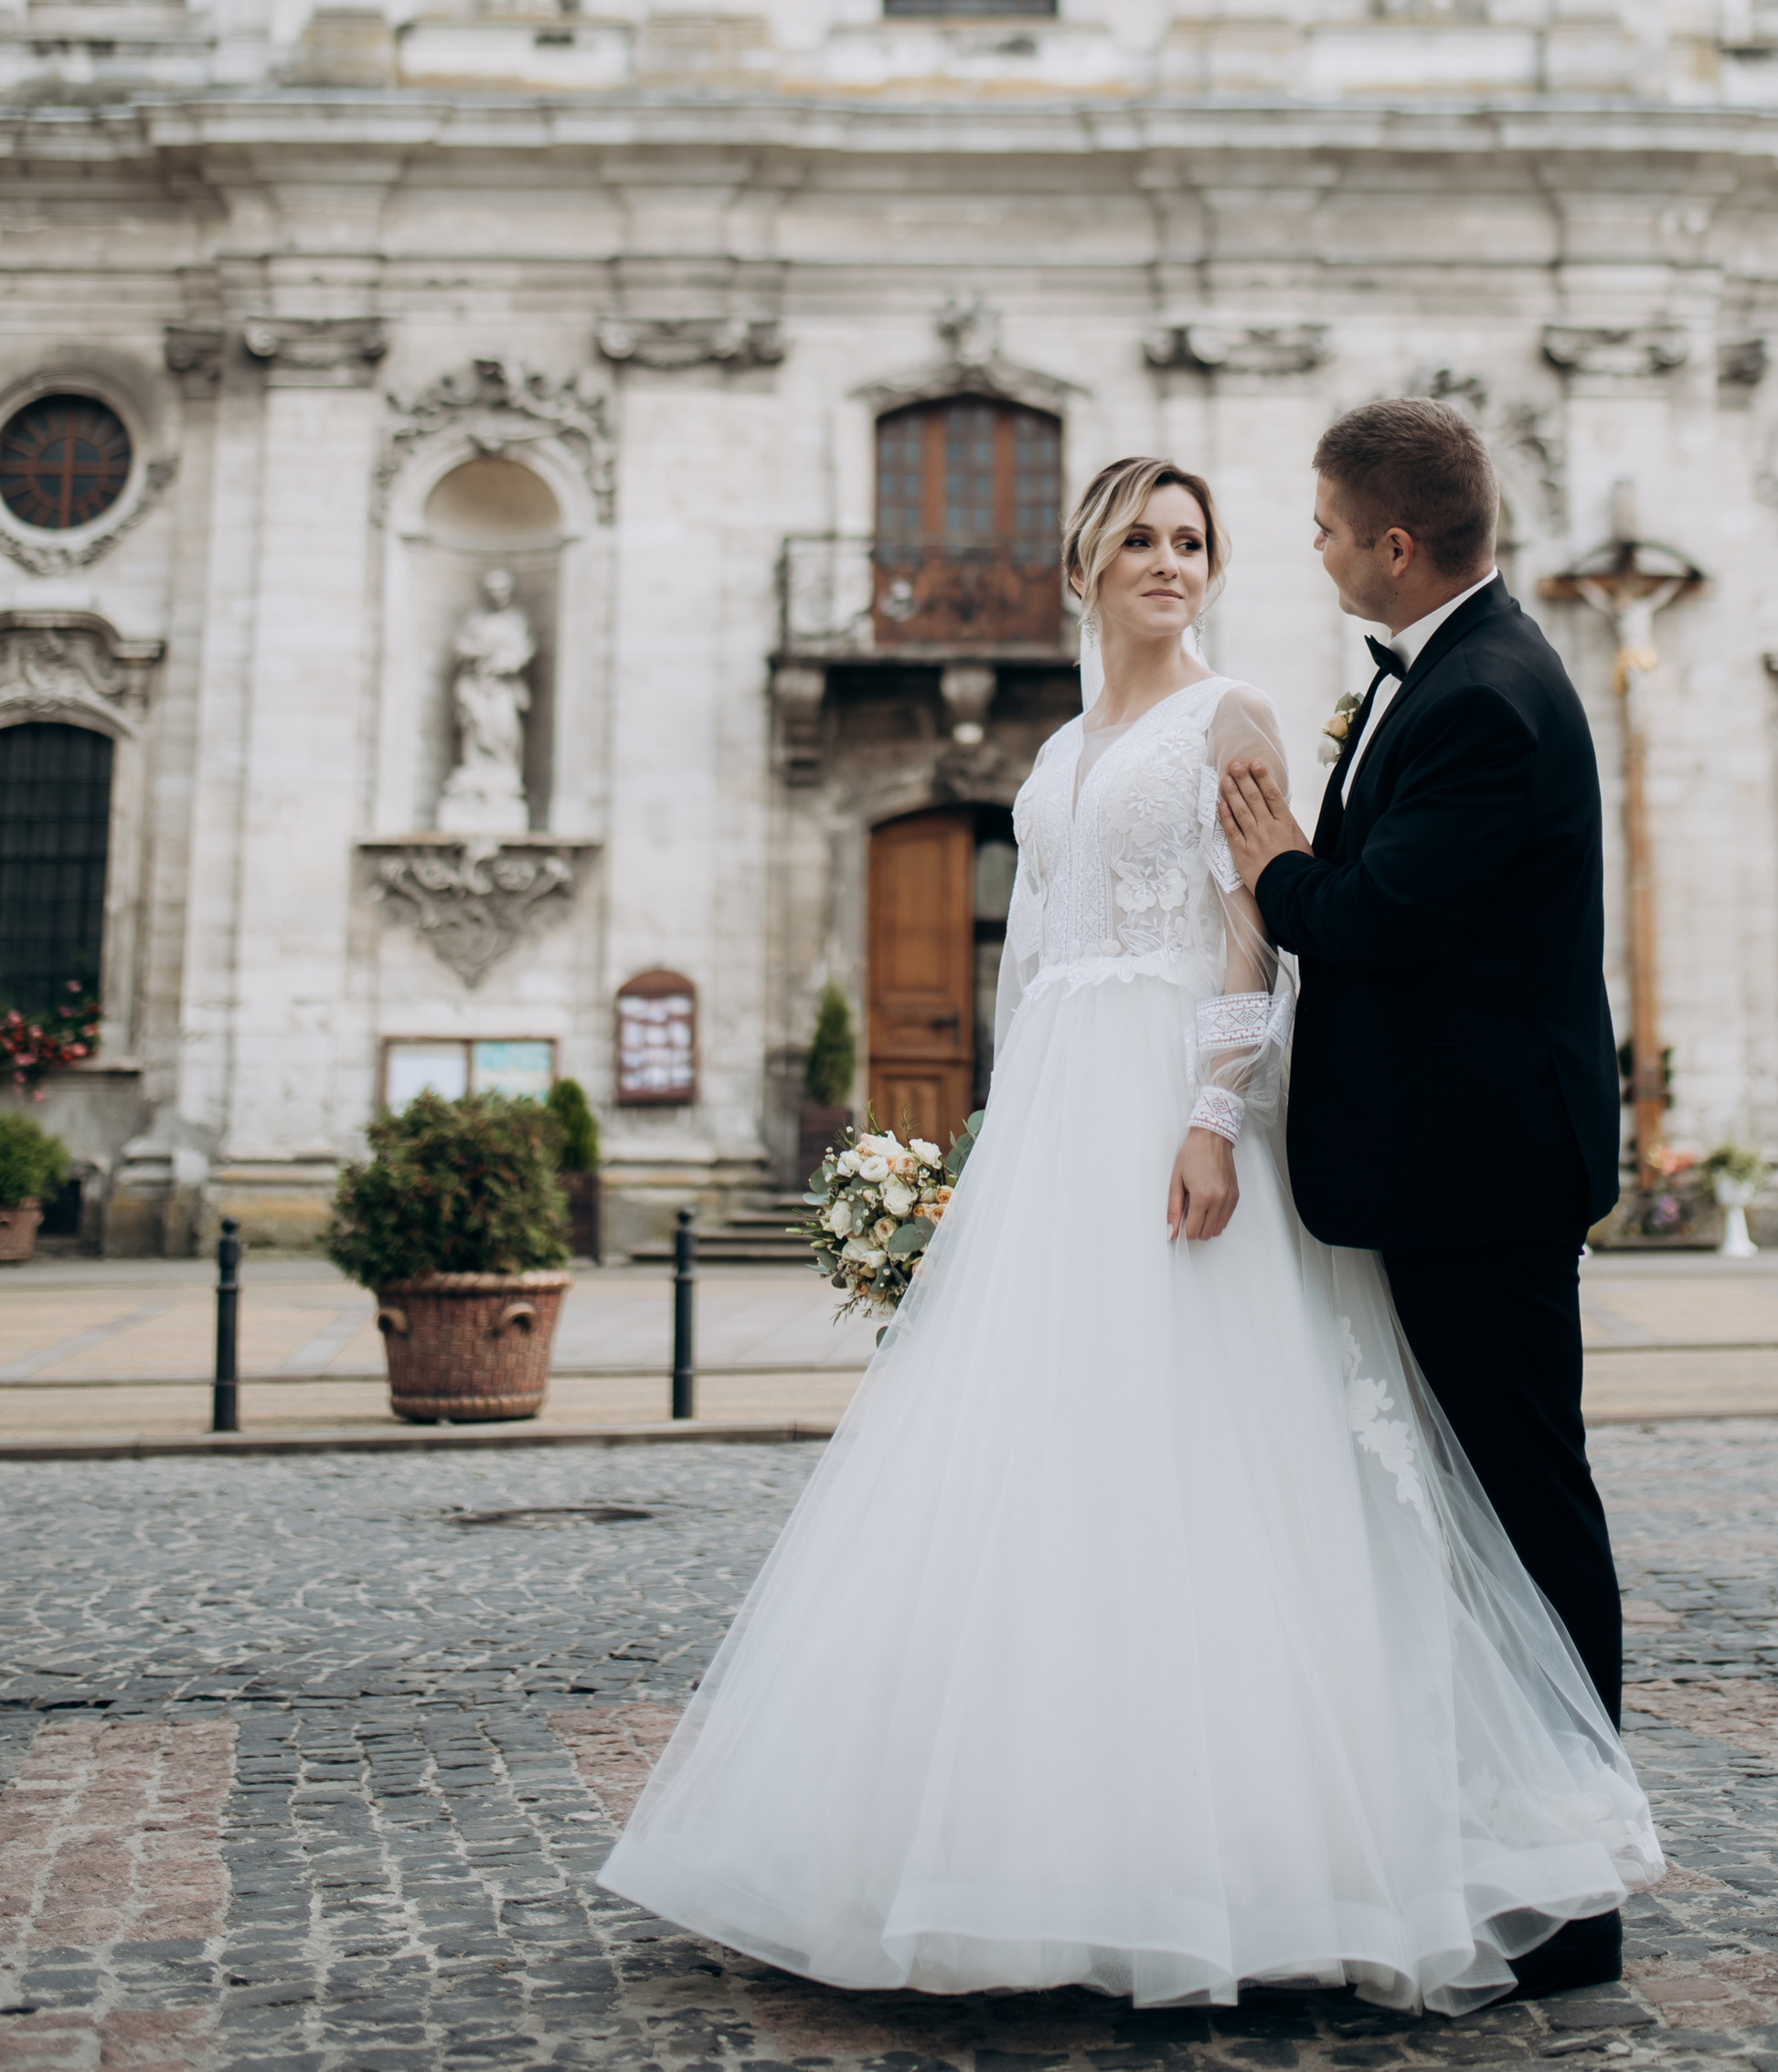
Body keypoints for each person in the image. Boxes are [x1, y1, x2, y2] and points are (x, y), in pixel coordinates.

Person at [597, 453, 1658, 2012]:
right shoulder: (1050, 758)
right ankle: (1028, 1832)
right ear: (1081, 567)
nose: (1176, 561)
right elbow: (1032, 959)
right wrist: (994, 1148)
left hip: (1177, 1103)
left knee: (1217, 1458)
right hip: (1062, 1119)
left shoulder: (1234, 718)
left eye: (1196, 539)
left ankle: (1295, 1852)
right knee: (1044, 1467)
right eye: (1144, 540)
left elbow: (1259, 925)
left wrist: (1216, 1112)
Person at [1218, 394, 1629, 1997]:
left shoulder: (1487, 698)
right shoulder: (1455, 673)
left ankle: (1577, 1885)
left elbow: (1381, 917)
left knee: (1530, 1518)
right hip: (1451, 1167)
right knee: (1480, 1516)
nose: (1312, 553)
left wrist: (1273, 867)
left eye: (1323, 530)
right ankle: (1514, 1847)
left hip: (1482, 1180)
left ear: (1394, 544)